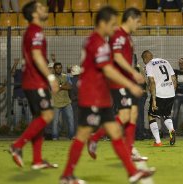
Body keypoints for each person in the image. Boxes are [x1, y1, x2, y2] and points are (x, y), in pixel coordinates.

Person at [60, 6, 155, 184]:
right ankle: (67, 175)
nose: (114, 28)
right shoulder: (96, 42)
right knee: (82, 135)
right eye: (111, 24)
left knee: (115, 133)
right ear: (102, 23)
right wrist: (131, 82)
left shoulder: (99, 41)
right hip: (92, 95)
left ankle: (132, 172)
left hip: (100, 95)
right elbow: (107, 69)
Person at [87, 8, 146, 161]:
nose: (139, 25)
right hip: (118, 81)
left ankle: (130, 150)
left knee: (132, 115)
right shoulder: (119, 35)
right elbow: (118, 57)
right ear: (131, 19)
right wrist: (133, 73)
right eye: (138, 21)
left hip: (126, 80)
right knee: (125, 115)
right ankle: (95, 137)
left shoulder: (126, 36)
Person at [8, 1, 60, 169]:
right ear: (34, 14)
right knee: (47, 116)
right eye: (40, 7)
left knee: (40, 118)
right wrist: (51, 78)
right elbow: (37, 56)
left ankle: (37, 160)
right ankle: (17, 145)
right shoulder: (36, 31)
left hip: (31, 82)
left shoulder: (31, 31)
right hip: (36, 82)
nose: (44, 8)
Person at [142, 50, 177, 146]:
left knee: (151, 116)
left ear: (145, 58)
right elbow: (173, 77)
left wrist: (153, 100)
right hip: (170, 93)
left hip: (159, 94)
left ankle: (157, 141)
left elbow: (152, 82)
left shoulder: (149, 65)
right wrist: (172, 91)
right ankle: (171, 129)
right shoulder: (165, 61)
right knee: (166, 114)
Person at [51, 62, 74, 140]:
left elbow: (70, 87)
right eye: (57, 68)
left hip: (67, 102)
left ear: (61, 68)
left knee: (71, 119)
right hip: (56, 103)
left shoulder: (66, 76)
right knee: (55, 122)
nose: (58, 69)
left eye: (60, 68)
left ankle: (71, 136)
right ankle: (55, 137)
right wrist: (64, 86)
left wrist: (60, 86)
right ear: (54, 69)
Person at [134, 54, 148, 140]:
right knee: (137, 114)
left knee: (139, 115)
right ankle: (138, 133)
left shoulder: (137, 68)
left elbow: (144, 81)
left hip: (140, 94)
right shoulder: (139, 68)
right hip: (139, 93)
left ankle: (139, 134)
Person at [69, 65, 80, 132]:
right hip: (81, 101)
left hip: (73, 101)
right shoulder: (82, 80)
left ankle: (75, 134)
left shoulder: (70, 80)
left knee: (75, 118)